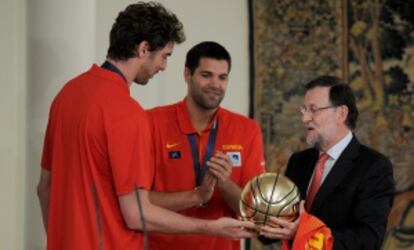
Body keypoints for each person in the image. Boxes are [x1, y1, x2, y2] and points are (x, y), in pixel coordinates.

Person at [36, 3, 256, 250]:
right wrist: (209, 227)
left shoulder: (67, 95)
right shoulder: (129, 114)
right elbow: (137, 213)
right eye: (164, 56)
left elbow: (45, 188)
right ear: (143, 49)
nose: (162, 66)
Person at [146, 41, 266, 250]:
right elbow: (138, 202)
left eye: (222, 77)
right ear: (187, 75)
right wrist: (196, 196)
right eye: (206, 75)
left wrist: (225, 183)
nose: (215, 84)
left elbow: (255, 212)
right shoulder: (151, 122)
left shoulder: (247, 129)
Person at [260, 76, 395, 249]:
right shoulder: (299, 161)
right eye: (304, 110)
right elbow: (283, 224)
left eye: (313, 110)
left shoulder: (374, 166)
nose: (305, 118)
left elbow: (368, 239)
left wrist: (304, 233)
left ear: (341, 114)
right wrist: (258, 222)